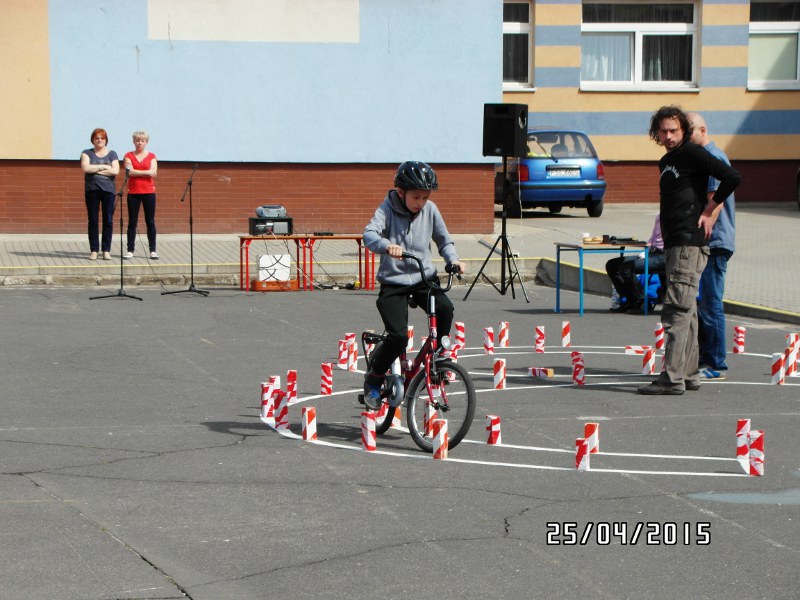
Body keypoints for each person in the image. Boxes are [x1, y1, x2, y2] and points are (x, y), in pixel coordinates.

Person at [638, 106, 741, 396]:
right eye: (663, 131)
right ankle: (689, 373)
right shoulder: (667, 160)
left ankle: (671, 378)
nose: (668, 136)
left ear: (684, 130)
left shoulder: (694, 153)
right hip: (674, 242)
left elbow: (731, 177)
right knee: (689, 310)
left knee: (676, 309)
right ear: (656, 133)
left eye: (674, 130)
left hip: (688, 242)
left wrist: (709, 210)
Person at [361, 161, 466, 409]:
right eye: (416, 197)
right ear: (401, 192)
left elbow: (444, 240)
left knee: (445, 308)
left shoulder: (430, 210)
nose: (421, 202)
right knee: (398, 337)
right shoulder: (387, 208)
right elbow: (369, 234)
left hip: (423, 278)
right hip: (393, 282)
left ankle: (438, 357)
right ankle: (374, 379)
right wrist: (386, 245)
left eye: (425, 197)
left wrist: (453, 260)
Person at [687, 113, 736, 380]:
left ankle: (716, 364)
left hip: (714, 240)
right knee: (704, 301)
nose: (684, 137)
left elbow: (714, 202)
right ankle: (705, 357)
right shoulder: (704, 158)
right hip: (709, 240)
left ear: (702, 130)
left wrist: (702, 234)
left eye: (689, 132)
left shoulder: (714, 158)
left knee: (711, 302)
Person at [605, 215, 666, 313]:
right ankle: (629, 300)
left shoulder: (675, 216)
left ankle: (642, 301)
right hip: (652, 253)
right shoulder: (659, 217)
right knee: (612, 265)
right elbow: (653, 239)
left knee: (627, 268)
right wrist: (645, 250)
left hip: (664, 255)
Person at [80, 128, 119, 260]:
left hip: (108, 191)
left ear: (106, 140)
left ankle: (106, 250)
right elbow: (86, 168)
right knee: (93, 220)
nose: (99, 140)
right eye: (97, 138)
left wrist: (95, 170)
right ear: (93, 140)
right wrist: (104, 167)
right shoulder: (87, 153)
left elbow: (115, 171)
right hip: (92, 190)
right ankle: (94, 250)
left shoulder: (112, 154)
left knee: (108, 220)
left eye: (102, 138)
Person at [123, 131, 159, 259]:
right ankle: (130, 250)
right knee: (132, 221)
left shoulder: (152, 156)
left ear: (146, 142)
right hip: (133, 192)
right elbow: (129, 172)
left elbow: (154, 172)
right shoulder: (128, 155)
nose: (140, 143)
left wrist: (140, 172)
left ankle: (152, 250)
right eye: (137, 140)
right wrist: (146, 172)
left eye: (142, 141)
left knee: (150, 221)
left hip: (149, 192)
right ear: (134, 141)